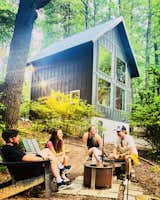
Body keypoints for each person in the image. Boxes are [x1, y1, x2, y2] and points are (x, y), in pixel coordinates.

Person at [1, 129, 71, 189]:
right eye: (17, 137)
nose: (18, 138)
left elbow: (24, 155)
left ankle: (60, 179)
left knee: (47, 151)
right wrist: (43, 158)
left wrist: (36, 155)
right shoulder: (8, 149)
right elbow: (25, 158)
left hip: (26, 168)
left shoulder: (12, 147)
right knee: (49, 157)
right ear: (11, 139)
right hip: (25, 172)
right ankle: (61, 175)